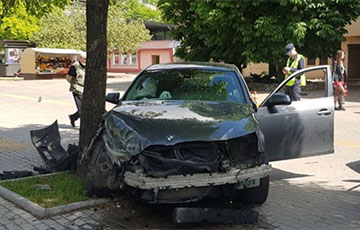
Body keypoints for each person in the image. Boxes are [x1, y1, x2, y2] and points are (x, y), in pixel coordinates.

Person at [66, 52, 86, 127]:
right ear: (80, 58)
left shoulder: (87, 66)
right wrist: (74, 84)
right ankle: (84, 126)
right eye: (84, 59)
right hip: (77, 90)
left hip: (85, 89)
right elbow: (68, 78)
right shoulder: (75, 66)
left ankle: (73, 117)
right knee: (81, 108)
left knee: (86, 107)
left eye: (86, 59)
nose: (85, 60)